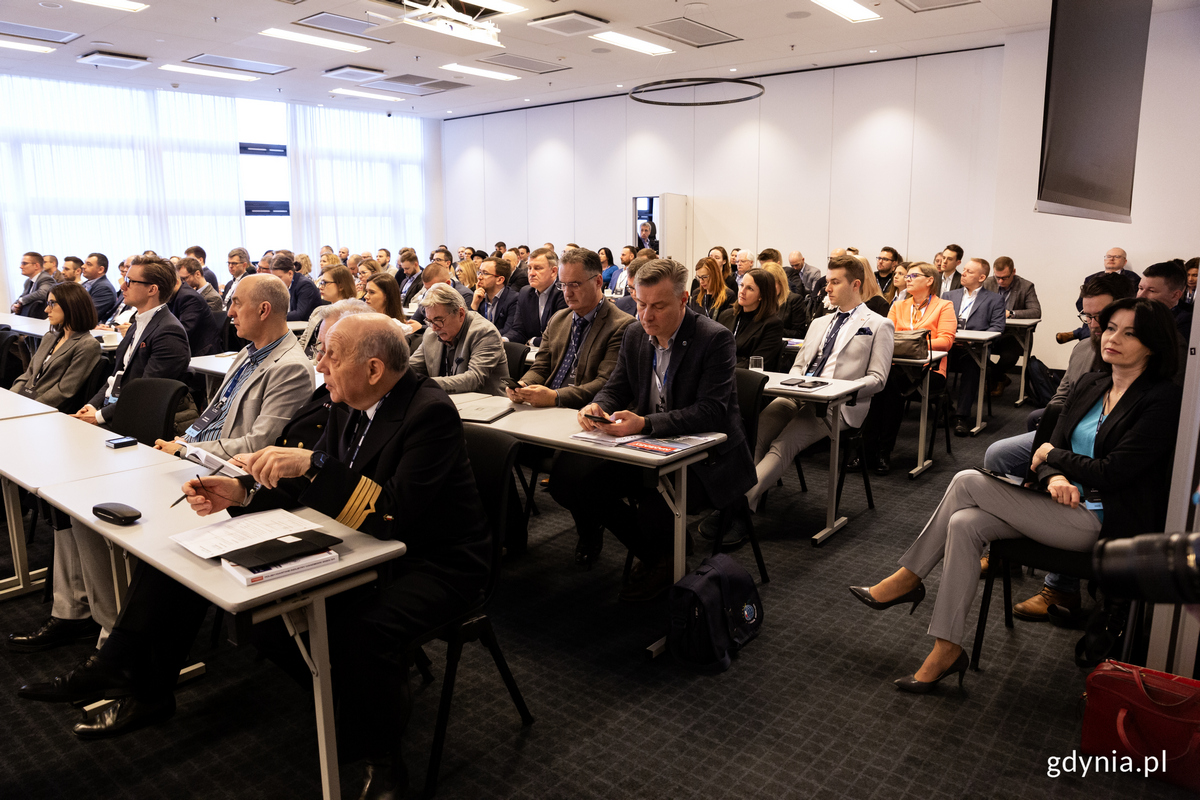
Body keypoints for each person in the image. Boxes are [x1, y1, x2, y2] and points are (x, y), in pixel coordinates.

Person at [19, 315, 489, 798]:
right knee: (192, 562)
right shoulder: (350, 399)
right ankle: (133, 677)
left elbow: (392, 515)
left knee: (362, 629)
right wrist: (239, 493)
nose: (319, 364)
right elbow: (311, 488)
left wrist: (314, 465)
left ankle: (384, 760)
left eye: (331, 355)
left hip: (434, 561)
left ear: (373, 369)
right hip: (353, 539)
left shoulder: (428, 411)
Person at [851, 297, 1182, 693]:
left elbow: (1114, 471)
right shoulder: (1093, 383)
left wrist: (1053, 458)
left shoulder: (1162, 399)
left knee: (967, 482)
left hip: (1102, 520)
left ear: (1153, 344)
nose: (1113, 338)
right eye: (1111, 328)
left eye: (1130, 333)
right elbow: (1051, 445)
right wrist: (1054, 474)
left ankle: (907, 578)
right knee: (964, 522)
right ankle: (946, 648)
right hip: (1056, 505)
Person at [549, 259, 756, 602]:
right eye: (641, 304)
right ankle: (660, 556)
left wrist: (646, 424)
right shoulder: (634, 333)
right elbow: (617, 387)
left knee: (654, 502)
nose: (646, 316)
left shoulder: (714, 339)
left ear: (683, 300)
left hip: (707, 459)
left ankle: (664, 559)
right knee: (573, 483)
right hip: (648, 448)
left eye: (658, 306)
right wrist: (597, 405)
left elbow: (711, 412)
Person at [983, 273, 1133, 619]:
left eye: (1102, 317)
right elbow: (1062, 397)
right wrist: (1053, 431)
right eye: (1087, 316)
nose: (1094, 325)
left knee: (1072, 466)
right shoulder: (1083, 347)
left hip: (1098, 445)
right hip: (1065, 431)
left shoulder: (1140, 359)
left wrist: (1055, 446)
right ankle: (1009, 551)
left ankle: (1061, 588)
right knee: (998, 454)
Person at [738, 254, 894, 514]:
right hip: (799, 393)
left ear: (855, 284)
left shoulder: (879, 324)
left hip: (837, 404)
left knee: (784, 443)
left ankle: (740, 504)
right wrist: (795, 384)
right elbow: (800, 365)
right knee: (756, 434)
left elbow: (878, 379)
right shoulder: (820, 322)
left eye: (835, 282)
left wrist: (840, 390)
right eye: (827, 281)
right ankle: (748, 502)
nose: (827, 288)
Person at [153, 273, 314, 459]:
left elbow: (258, 445)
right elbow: (213, 416)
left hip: (222, 468)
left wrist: (186, 451)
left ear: (263, 310)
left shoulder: (291, 369)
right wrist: (183, 442)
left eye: (237, 303)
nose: (229, 312)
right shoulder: (247, 352)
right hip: (195, 450)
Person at [863, 261, 957, 475]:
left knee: (888, 385)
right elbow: (885, 336)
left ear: (929, 280)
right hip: (898, 368)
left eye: (913, 276)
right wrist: (915, 339)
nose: (908, 279)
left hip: (930, 371)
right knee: (878, 384)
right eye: (908, 276)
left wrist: (911, 342)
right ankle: (870, 450)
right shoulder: (898, 305)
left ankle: (881, 452)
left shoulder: (944, 306)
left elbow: (946, 341)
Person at [9, 282, 102, 412]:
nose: (47, 310)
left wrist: (28, 407)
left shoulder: (87, 345)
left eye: (52, 303)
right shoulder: (50, 336)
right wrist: (10, 397)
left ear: (71, 305)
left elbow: (64, 391)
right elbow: (28, 374)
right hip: (27, 402)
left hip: (46, 410)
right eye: (48, 304)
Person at [410, 284, 508, 396]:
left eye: (438, 320)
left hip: (488, 407)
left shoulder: (484, 332)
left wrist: (427, 384)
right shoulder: (430, 333)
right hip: (448, 402)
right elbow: (412, 367)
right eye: (429, 321)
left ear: (460, 314)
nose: (434, 327)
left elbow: (474, 379)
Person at [944, 258, 1006, 435]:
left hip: (974, 350)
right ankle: (945, 409)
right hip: (950, 348)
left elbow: (997, 328)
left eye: (969, 272)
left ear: (981, 277)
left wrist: (973, 340)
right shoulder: (949, 296)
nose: (963, 273)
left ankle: (961, 417)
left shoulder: (994, 300)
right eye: (964, 270)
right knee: (934, 364)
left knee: (972, 367)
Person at [981, 256, 1041, 396]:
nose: (1001, 281)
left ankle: (994, 378)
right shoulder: (987, 283)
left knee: (1009, 357)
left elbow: (1036, 311)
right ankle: (1000, 378)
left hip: (1014, 335)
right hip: (990, 332)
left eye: (1005, 278)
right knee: (975, 352)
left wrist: (1012, 313)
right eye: (998, 277)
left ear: (1013, 272)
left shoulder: (1026, 286)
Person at [1058, 247, 1141, 343]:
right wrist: (1092, 313)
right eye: (1108, 256)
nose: (1111, 259)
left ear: (1124, 261)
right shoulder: (1091, 278)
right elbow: (1081, 303)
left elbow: (1131, 303)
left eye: (1117, 256)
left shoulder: (1133, 279)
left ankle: (1078, 333)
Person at [718, 268, 784, 371]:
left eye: (750, 289)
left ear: (762, 295)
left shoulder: (772, 324)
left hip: (745, 380)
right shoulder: (726, 315)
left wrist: (722, 368)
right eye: (742, 285)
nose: (742, 291)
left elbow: (757, 363)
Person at [503, 247, 566, 345]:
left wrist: (532, 341)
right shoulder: (525, 292)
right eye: (529, 268)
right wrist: (504, 339)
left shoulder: (563, 292)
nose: (531, 273)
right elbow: (518, 330)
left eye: (538, 268)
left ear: (553, 271)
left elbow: (560, 336)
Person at [298, 266, 357, 355]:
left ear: (341, 286)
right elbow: (303, 340)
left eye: (325, 283)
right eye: (321, 282)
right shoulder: (318, 310)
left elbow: (333, 353)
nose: (320, 287)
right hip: (305, 360)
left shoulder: (349, 315)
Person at [167, 261, 220, 357]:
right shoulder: (177, 295)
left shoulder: (189, 297)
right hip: (188, 349)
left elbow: (183, 331)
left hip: (201, 353)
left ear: (176, 281)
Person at [1138, 260, 1192, 339]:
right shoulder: (1132, 313)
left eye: (1152, 291)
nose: (1141, 295)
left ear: (1175, 295)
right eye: (1140, 288)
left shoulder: (1185, 322)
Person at [268, 250, 323, 322]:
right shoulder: (285, 285)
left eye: (279, 277)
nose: (276, 281)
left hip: (305, 328)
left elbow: (299, 314)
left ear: (290, 274)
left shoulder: (305, 285)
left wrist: (274, 316)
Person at [760, 261, 809, 339]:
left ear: (781, 283)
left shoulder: (794, 300)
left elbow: (800, 333)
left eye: (771, 284)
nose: (768, 288)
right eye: (764, 285)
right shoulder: (759, 300)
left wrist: (771, 330)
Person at [471, 256, 518, 332]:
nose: (479, 277)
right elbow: (469, 329)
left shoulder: (514, 299)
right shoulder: (479, 297)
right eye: (479, 272)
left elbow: (508, 331)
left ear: (499, 280)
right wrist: (474, 305)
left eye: (485, 273)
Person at [690, 256, 735, 322]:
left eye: (704, 277)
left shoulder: (728, 295)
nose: (701, 281)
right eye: (699, 277)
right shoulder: (696, 294)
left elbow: (728, 323)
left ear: (715, 275)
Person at [81, 252, 119, 320]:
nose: (83, 266)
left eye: (88, 264)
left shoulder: (104, 288)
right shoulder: (86, 284)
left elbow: (88, 315)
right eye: (84, 263)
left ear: (100, 270)